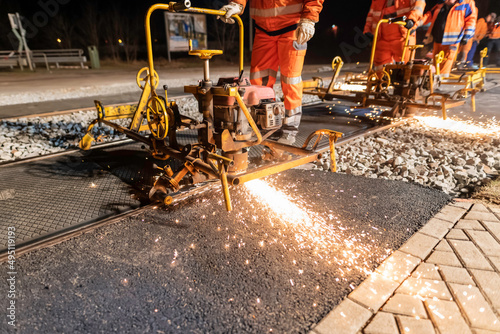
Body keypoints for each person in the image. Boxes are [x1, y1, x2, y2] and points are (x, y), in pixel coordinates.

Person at [218, 0, 324, 145]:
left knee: (290, 81)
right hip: (263, 30)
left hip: (293, 28)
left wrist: (309, 18)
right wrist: (237, 3)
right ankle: (263, 124)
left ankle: (289, 129)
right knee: (259, 81)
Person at [418, 0, 477, 77]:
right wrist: (414, 24)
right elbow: (428, 16)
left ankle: (441, 80)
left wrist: (466, 36)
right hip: (437, 38)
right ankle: (434, 80)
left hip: (453, 40)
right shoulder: (440, 5)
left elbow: (471, 20)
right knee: (436, 61)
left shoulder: (467, 4)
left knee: (447, 60)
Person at [363, 0, 426, 70]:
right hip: (381, 39)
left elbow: (419, 6)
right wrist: (367, 30)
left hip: (403, 37)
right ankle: (380, 80)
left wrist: (412, 19)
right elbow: (371, 15)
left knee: (405, 68)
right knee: (380, 69)